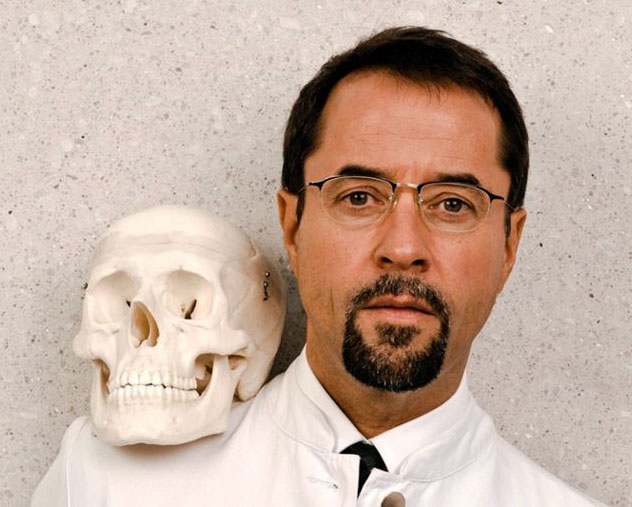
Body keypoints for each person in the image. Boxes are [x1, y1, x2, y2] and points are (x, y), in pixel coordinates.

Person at [33, 27, 604, 506]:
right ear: (292, 226)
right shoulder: (105, 485)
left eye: (453, 204)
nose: (404, 246)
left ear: (509, 245)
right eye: (358, 197)